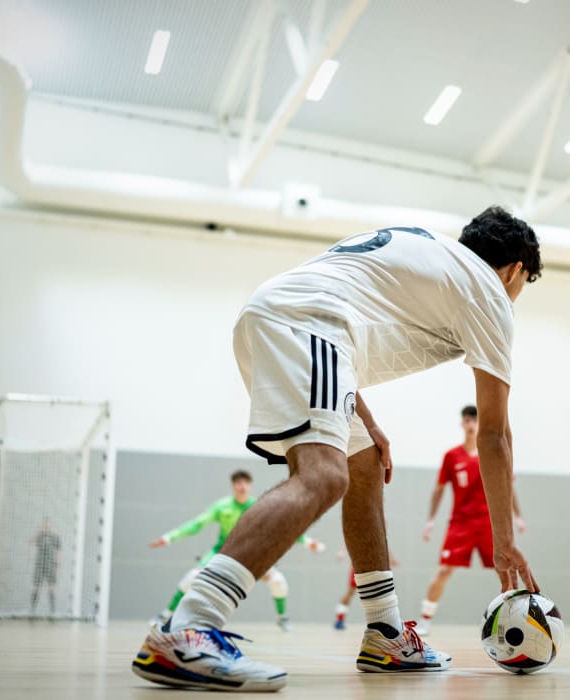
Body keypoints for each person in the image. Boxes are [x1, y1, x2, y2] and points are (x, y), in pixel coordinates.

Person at [131, 207, 542, 692]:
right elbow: (494, 435)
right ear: (514, 270)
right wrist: (504, 541)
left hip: (289, 319)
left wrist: (363, 419)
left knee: (362, 461)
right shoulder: (488, 290)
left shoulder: (431, 254)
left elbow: (345, 301)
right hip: (309, 325)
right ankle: (190, 626)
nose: (516, 296)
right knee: (323, 477)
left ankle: (385, 634)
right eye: (523, 284)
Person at [149, 470, 325, 631]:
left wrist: (308, 542)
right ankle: (164, 615)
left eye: (245, 482)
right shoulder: (222, 506)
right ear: (233, 486)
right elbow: (197, 524)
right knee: (192, 577)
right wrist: (168, 537)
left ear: (250, 486)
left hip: (251, 555)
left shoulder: (259, 506)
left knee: (278, 581)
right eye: (238, 483)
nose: (242, 486)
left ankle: (282, 618)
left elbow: (280, 528)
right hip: (223, 553)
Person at [417, 404, 526, 635]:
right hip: (461, 523)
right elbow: (438, 490)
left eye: (474, 420)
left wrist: (517, 516)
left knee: (504, 570)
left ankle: (515, 617)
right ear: (462, 424)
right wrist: (430, 520)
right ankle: (425, 619)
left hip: (489, 522)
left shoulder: (492, 454)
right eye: (467, 420)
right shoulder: (451, 456)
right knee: (444, 570)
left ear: (480, 424)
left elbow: (509, 487)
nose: (470, 424)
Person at [334, 548, 399, 630]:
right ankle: (340, 619)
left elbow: (384, 546)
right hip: (359, 566)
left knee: (381, 593)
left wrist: (391, 558)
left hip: (374, 566)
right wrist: (342, 552)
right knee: (350, 592)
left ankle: (384, 620)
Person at [30, 518, 61, 616]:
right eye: (44, 525)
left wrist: (57, 565)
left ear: (51, 526)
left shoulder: (55, 537)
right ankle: (32, 609)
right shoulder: (40, 536)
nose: (46, 527)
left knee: (51, 587)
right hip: (40, 565)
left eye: (48, 525)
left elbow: (59, 552)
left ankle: (53, 611)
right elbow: (31, 542)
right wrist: (39, 532)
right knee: (36, 587)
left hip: (50, 565)